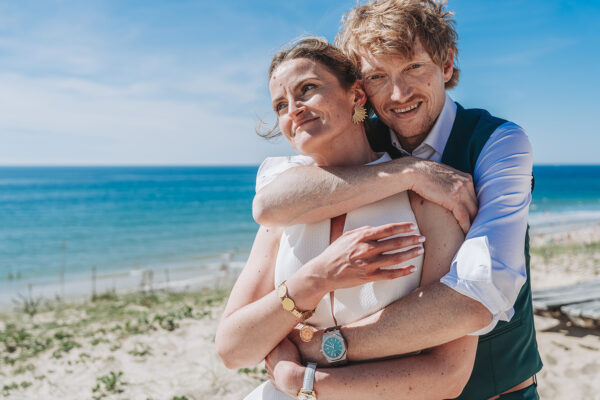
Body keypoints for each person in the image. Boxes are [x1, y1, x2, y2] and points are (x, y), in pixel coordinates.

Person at [254, 1, 542, 399]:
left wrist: (320, 346)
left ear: (445, 64)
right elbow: (271, 203)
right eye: (377, 76)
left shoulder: (497, 143)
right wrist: (410, 173)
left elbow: (477, 295)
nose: (397, 93)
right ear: (360, 89)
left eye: (413, 68)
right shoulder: (359, 139)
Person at [216, 37, 479, 400]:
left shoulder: (425, 198)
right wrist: (315, 278)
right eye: (280, 104)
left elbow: (448, 374)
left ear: (356, 96)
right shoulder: (288, 209)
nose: (293, 109)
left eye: (307, 89)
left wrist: (305, 382)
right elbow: (233, 350)